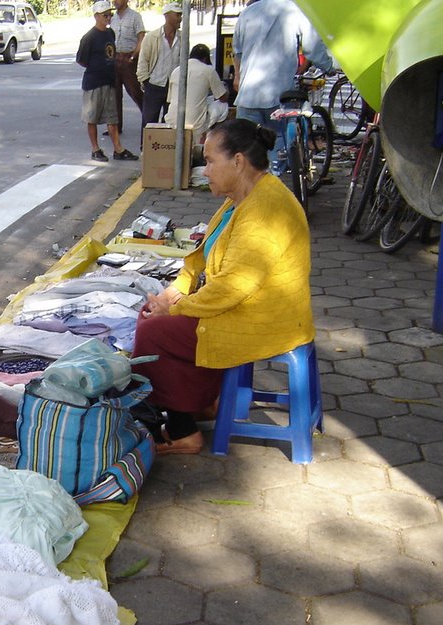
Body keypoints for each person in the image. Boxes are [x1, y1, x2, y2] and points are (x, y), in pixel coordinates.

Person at [130, 119, 314, 454]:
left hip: (260, 319)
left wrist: (175, 307)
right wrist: (172, 293)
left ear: (239, 161)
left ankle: (183, 431)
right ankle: (199, 403)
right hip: (241, 306)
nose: (205, 171)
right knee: (150, 318)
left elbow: (232, 287)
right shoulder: (240, 199)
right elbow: (200, 263)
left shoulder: (263, 210)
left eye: (211, 161)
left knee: (154, 334)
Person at [231, 0, 328, 164]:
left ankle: (249, 185)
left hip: (248, 94)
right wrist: (328, 65)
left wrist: (238, 78)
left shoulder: (247, 13)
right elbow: (312, 46)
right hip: (279, 94)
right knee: (278, 143)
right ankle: (272, 180)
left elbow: (237, 52)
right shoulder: (295, 11)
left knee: (246, 146)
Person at [76, 0, 138, 162]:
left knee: (112, 118)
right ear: (96, 16)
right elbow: (82, 60)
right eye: (105, 15)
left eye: (110, 15)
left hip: (109, 81)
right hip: (94, 82)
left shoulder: (110, 34)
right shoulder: (89, 37)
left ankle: (118, 149)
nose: (109, 18)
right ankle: (95, 149)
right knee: (92, 117)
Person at [165, 43, 229, 143]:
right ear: (204, 59)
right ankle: (212, 135)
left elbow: (169, 100)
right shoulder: (208, 70)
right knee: (222, 106)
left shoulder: (176, 71)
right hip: (195, 125)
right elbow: (223, 98)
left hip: (172, 122)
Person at [135, 2, 183, 130]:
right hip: (154, 84)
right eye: (177, 15)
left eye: (181, 15)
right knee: (149, 121)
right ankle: (145, 149)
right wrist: (145, 81)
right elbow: (143, 61)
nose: (180, 18)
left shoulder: (182, 38)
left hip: (173, 86)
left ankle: (165, 148)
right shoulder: (152, 37)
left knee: (170, 121)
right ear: (167, 16)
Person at [108, 0, 144, 136]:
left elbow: (141, 37)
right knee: (114, 94)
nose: (115, 1)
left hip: (129, 58)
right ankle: (116, 126)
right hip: (115, 58)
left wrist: (134, 55)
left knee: (135, 91)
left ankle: (147, 120)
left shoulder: (135, 16)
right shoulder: (112, 17)